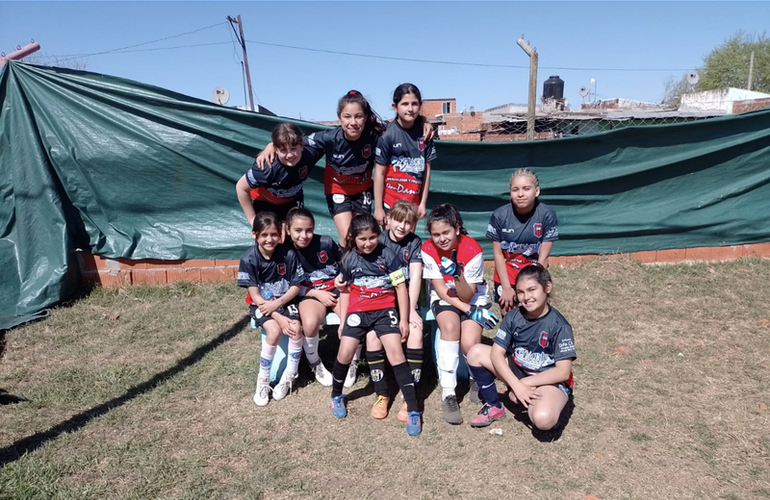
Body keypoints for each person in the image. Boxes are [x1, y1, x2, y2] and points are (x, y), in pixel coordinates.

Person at [256, 90, 433, 245]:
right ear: (339, 117)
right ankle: (345, 276)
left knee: (361, 236)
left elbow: (402, 122)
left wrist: (423, 121)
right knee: (348, 237)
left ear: (365, 117)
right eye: (347, 117)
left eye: (358, 116)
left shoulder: (376, 135)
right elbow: (294, 141)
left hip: (362, 192)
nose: (353, 122)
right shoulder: (328, 137)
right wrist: (272, 145)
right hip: (337, 191)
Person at [329, 213, 422, 436]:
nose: (368, 243)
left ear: (378, 236)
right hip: (358, 312)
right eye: (363, 239)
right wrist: (343, 321)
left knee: (396, 355)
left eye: (372, 237)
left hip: (384, 312)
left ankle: (414, 409)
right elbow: (343, 290)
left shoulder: (389, 256)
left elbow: (401, 288)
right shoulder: (348, 259)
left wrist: (403, 318)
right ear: (353, 238)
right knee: (345, 353)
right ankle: (336, 396)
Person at [465, 264, 576, 431]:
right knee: (475, 352)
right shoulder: (512, 316)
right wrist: (516, 385)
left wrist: (524, 384)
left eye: (532, 290)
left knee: (542, 419)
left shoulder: (560, 326)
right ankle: (494, 406)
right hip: (520, 370)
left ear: (547, 287)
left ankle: (546, 402)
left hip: (549, 380)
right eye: (520, 292)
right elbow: (496, 354)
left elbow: (563, 372)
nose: (526, 297)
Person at [421, 204, 498, 425]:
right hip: (445, 296)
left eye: (445, 232)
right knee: (450, 327)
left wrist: (457, 274)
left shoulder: (473, 250)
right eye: (436, 234)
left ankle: (477, 379)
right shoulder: (428, 249)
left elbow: (467, 295)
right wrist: (469, 312)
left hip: (471, 296)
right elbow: (439, 288)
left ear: (457, 228)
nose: (441, 239)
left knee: (469, 342)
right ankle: (448, 392)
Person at [237, 212, 305, 406]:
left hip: (285, 301)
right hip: (261, 306)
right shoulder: (249, 259)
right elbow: (256, 296)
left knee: (295, 329)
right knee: (274, 330)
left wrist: (279, 303)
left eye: (274, 234)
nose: (270, 239)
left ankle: (290, 375)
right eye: (264, 235)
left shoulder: (289, 254)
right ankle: (263, 381)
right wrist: (277, 314)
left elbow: (296, 286)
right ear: (255, 235)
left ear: (281, 234)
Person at [365, 200, 424, 422]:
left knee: (416, 332)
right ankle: (382, 393)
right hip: (381, 300)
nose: (402, 226)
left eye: (409, 223)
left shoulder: (415, 242)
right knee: (372, 338)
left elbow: (416, 276)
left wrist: (410, 311)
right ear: (388, 219)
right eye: (398, 220)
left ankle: (411, 396)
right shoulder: (377, 240)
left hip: (406, 300)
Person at [487, 168, 558, 316]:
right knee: (509, 318)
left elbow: (543, 258)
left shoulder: (547, 215)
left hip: (533, 273)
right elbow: (498, 255)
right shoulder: (499, 215)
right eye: (515, 189)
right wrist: (506, 287)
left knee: (534, 316)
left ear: (536, 191)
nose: (520, 194)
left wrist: (535, 286)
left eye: (526, 188)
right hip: (507, 276)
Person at [284, 207, 340, 387]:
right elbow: (289, 287)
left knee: (352, 319)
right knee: (309, 324)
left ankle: (350, 363)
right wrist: (316, 293)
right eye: (298, 230)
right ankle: (314, 362)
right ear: (288, 230)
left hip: (336, 289)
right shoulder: (285, 253)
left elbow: (345, 266)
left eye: (309, 230)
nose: (304, 235)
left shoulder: (326, 242)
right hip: (309, 293)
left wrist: (340, 281)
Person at [373, 83, 436, 226]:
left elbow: (427, 171)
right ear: (395, 107)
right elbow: (379, 173)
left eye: (414, 104)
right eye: (405, 104)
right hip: (390, 205)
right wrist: (378, 208)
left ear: (420, 105)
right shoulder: (386, 134)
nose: (410, 109)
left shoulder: (425, 134)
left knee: (407, 246)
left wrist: (422, 203)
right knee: (389, 246)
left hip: (412, 205)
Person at [236, 123, 314, 227]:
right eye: (283, 150)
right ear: (276, 150)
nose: (290, 155)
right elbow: (241, 188)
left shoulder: (310, 153)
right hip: (264, 203)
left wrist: (271, 145)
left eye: (294, 148)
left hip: (292, 201)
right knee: (269, 237)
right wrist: (252, 219)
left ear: (302, 146)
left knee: (295, 233)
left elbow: (328, 136)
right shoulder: (266, 168)